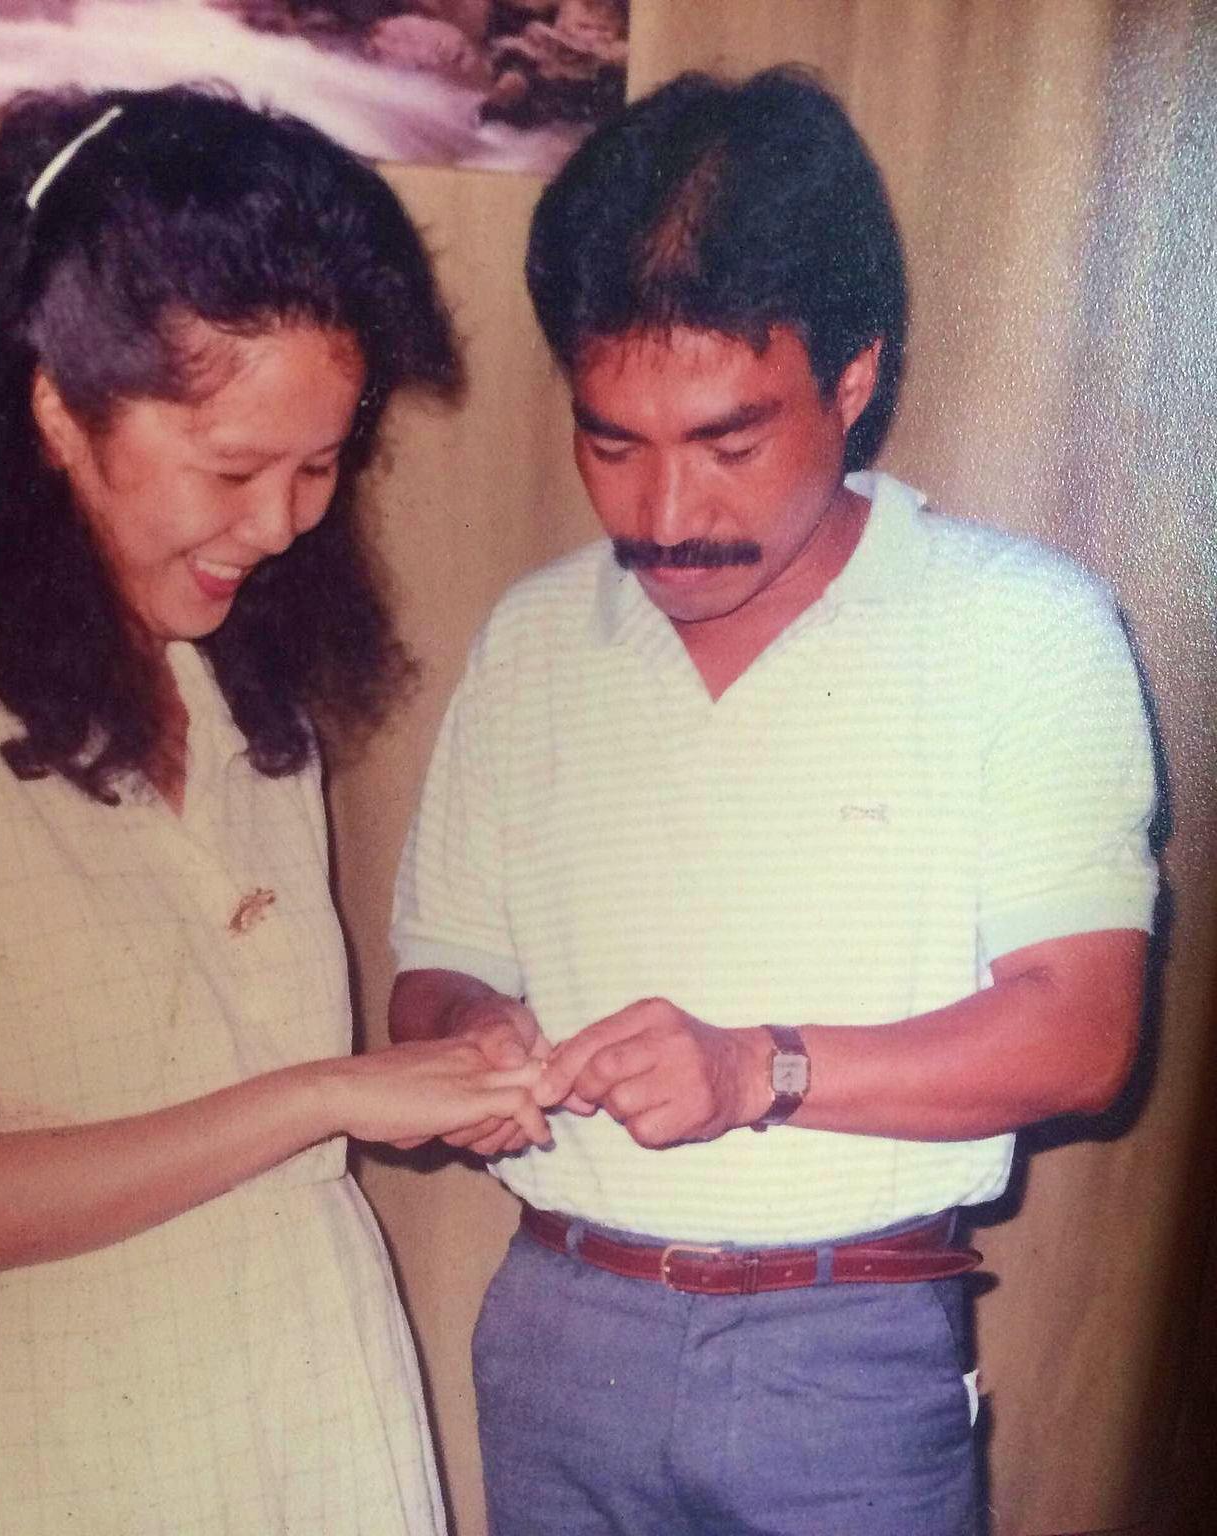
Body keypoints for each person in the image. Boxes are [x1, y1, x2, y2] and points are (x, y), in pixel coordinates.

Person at [0, 85, 549, 1536]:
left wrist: (448, 1071)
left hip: (303, 1405)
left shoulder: (247, 708)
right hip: (37, 1445)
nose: (282, 525)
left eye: (320, 467)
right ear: (57, 408)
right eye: (234, 468)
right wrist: (327, 1094)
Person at [389, 66, 1157, 1536]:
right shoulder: (535, 639)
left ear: (852, 380)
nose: (666, 518)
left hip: (845, 1353)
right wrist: (475, 1035)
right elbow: (434, 977)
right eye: (613, 444)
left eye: (730, 444)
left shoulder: (1021, 628)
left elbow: (1082, 1035)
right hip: (559, 1335)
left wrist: (757, 1071)